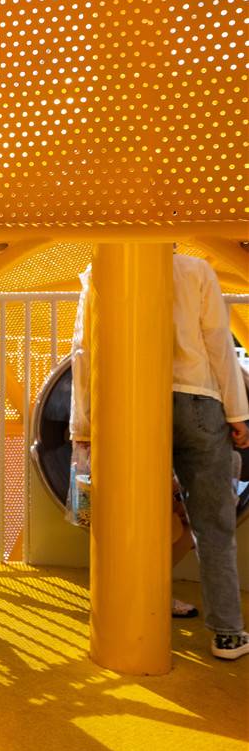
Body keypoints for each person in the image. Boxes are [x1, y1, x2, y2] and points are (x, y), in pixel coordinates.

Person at [70, 253, 249, 660]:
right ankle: (227, 634)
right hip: (197, 399)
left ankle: (133, 613)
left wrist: (84, 426)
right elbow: (218, 342)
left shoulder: (100, 269)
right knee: (213, 524)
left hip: (130, 403)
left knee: (134, 515)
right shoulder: (196, 269)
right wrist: (237, 413)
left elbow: (85, 350)